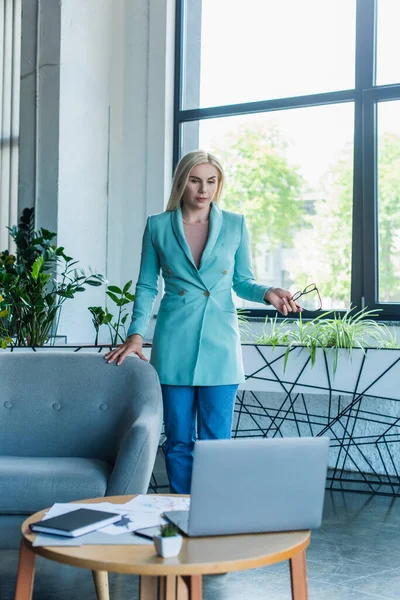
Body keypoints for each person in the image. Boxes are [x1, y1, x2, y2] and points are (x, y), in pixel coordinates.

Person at [105, 150, 301, 493]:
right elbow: (148, 285)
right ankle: (182, 512)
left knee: (216, 443)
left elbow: (241, 281)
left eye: (211, 181)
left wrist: (268, 291)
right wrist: (136, 335)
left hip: (220, 344)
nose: (203, 189)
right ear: (182, 181)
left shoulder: (236, 224)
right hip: (174, 340)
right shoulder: (158, 226)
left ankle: (213, 515)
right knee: (179, 439)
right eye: (195, 180)